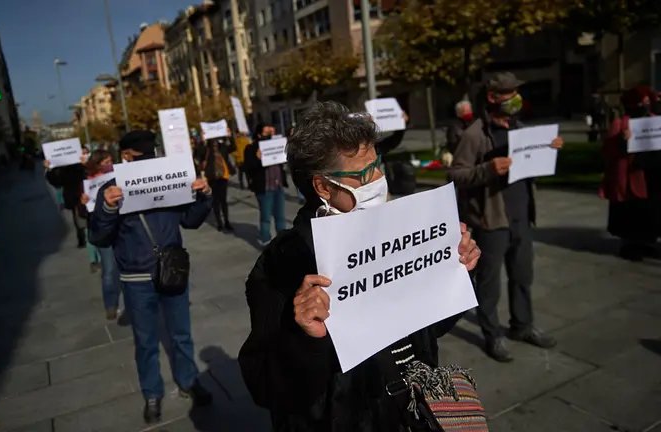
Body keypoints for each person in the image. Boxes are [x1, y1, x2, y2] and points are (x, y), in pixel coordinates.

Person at [238, 102, 482, 431]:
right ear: (323, 187)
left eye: (377, 165)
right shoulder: (283, 262)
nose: (378, 180)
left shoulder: (401, 231)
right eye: (363, 175)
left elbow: (429, 330)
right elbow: (265, 385)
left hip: (413, 412)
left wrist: (456, 271)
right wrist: (306, 337)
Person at [88, 130, 214, 424]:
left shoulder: (170, 179)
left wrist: (204, 196)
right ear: (125, 157)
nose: (147, 161)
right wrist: (107, 207)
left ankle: (189, 380)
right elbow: (98, 237)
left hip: (172, 271)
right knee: (145, 341)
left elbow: (190, 220)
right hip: (136, 278)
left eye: (150, 155)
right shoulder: (111, 188)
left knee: (181, 334)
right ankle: (152, 393)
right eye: (139, 156)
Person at [448, 72, 563, 363]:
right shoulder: (475, 134)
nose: (516, 98)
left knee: (522, 275)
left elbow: (531, 165)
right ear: (493, 97)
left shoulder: (521, 129)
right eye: (510, 93)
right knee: (489, 283)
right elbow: (456, 174)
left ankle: (522, 326)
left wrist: (548, 149)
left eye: (517, 92)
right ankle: (492, 335)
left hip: (522, 217)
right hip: (492, 221)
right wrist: (487, 169)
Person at [600, 86, 660, 261]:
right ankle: (630, 245)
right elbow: (607, 151)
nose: (645, 105)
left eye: (647, 102)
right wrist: (621, 140)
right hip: (630, 176)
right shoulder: (620, 124)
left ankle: (648, 242)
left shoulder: (655, 120)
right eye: (641, 102)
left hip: (653, 173)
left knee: (652, 209)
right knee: (631, 211)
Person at [80, 149, 126, 320]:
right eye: (105, 162)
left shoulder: (118, 176)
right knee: (109, 268)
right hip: (102, 227)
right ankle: (111, 305)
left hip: (119, 225)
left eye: (110, 161)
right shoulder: (88, 181)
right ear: (97, 164)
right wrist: (83, 202)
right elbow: (84, 212)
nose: (109, 164)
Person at [243, 124, 287, 247]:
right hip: (264, 189)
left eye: (271, 132)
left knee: (280, 217)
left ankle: (283, 242)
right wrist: (257, 158)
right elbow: (248, 168)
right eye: (267, 133)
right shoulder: (251, 148)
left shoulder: (277, 144)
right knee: (266, 217)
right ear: (259, 134)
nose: (270, 135)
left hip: (278, 187)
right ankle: (266, 241)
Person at [44, 147, 88, 249]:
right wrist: (49, 169)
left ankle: (85, 238)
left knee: (84, 218)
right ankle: (82, 237)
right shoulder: (63, 169)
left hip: (86, 194)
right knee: (78, 218)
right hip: (74, 197)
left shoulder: (82, 164)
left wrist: (85, 165)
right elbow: (57, 182)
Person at [202, 129, 236, 232]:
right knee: (215, 201)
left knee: (223, 201)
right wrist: (202, 141)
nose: (215, 143)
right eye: (213, 141)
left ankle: (226, 221)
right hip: (212, 178)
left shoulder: (223, 148)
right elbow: (199, 153)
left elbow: (233, 147)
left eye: (216, 141)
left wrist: (230, 136)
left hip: (222, 177)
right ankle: (219, 223)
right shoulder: (207, 150)